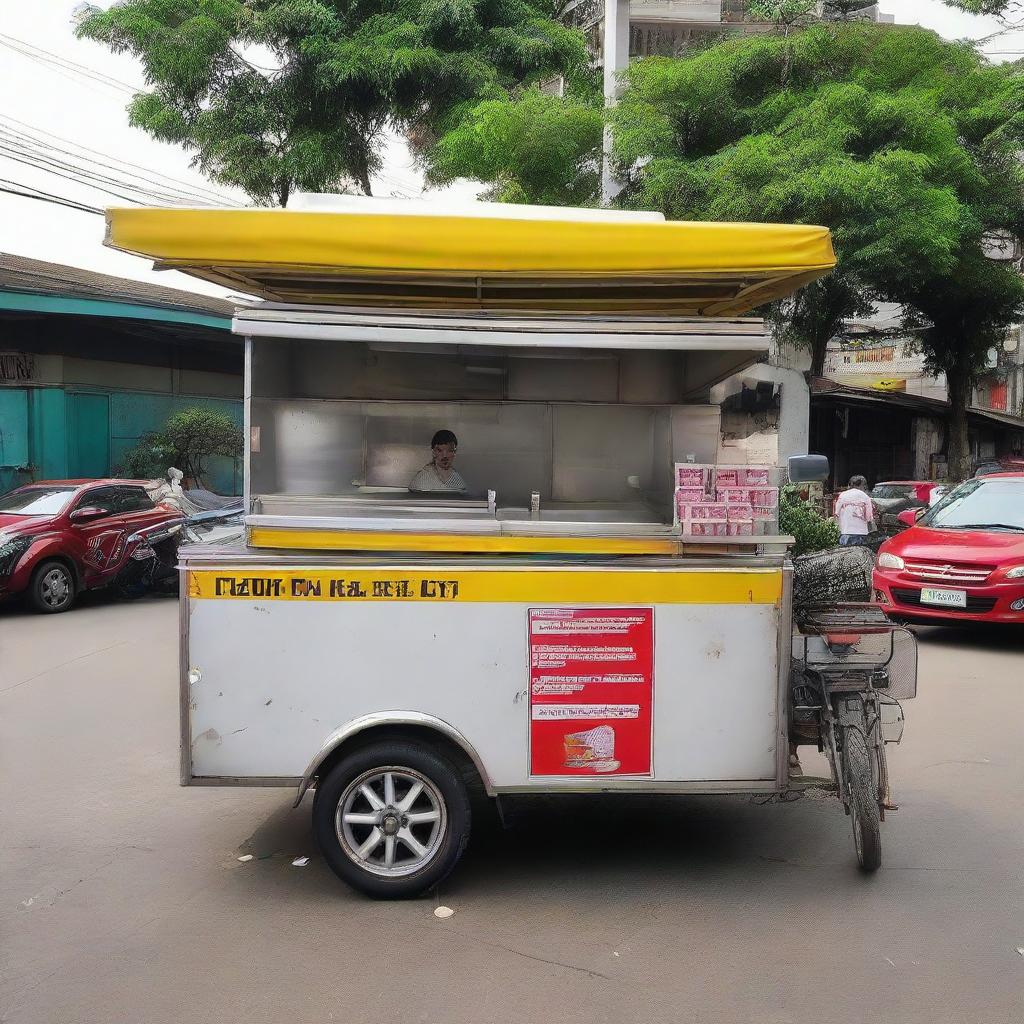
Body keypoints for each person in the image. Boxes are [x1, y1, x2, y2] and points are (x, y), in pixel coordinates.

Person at [834, 474, 875, 546]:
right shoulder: (865, 497)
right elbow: (869, 518)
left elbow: (836, 513)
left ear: (850, 484)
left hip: (845, 532)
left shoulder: (842, 495)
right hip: (861, 533)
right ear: (862, 485)